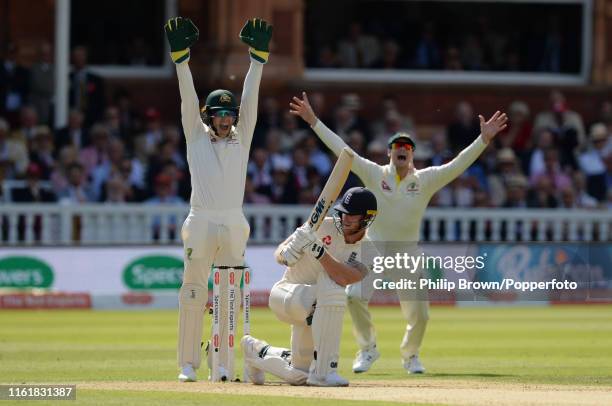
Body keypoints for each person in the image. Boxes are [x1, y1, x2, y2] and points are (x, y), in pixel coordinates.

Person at [289, 92, 507, 374]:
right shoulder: (375, 174)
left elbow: (457, 166)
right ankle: (367, 349)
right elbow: (344, 151)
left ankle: (410, 355)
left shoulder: (426, 179)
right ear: (389, 152)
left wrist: (484, 140)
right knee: (354, 297)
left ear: (412, 153)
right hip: (373, 249)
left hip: (407, 253)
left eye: (406, 146)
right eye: (396, 146)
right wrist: (314, 121)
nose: (401, 149)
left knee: (421, 315)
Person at [163, 16, 273, 382]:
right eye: (219, 114)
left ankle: (222, 363)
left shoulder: (243, 136)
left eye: (230, 114)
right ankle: (187, 364)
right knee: (193, 291)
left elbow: (252, 97)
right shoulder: (195, 134)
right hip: (201, 220)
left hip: (233, 221)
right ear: (208, 116)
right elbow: (187, 99)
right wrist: (182, 61)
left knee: (230, 297)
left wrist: (257, 60)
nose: (226, 120)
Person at [242, 187, 377, 386]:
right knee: (331, 290)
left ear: (367, 218)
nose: (346, 218)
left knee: (299, 375)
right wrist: (287, 253)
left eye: (353, 215)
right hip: (287, 294)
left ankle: (256, 352)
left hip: (316, 311)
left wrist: (319, 251)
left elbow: (345, 277)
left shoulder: (370, 252)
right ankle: (325, 371)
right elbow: (279, 252)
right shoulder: (323, 225)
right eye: (344, 212)